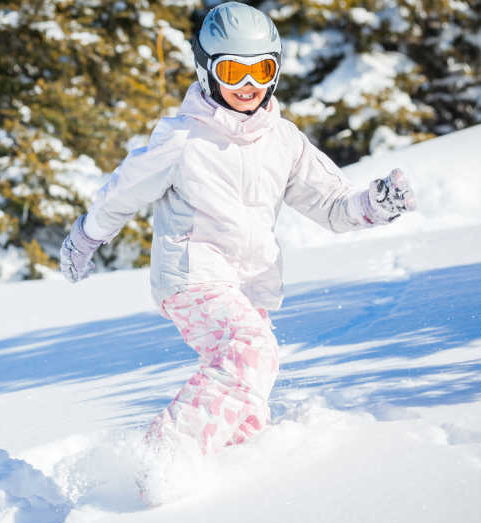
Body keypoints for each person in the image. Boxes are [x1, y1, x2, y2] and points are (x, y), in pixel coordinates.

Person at [60, 1, 415, 465]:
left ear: (276, 69)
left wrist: (371, 205)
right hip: (192, 276)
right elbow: (122, 192)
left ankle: (231, 474)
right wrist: (87, 237)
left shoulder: (283, 140)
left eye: (261, 70)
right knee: (251, 351)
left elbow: (329, 203)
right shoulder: (183, 139)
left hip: (250, 287)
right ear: (208, 71)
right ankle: (163, 456)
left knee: (247, 395)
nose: (248, 85)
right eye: (232, 71)